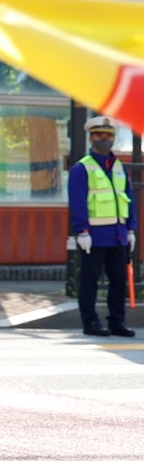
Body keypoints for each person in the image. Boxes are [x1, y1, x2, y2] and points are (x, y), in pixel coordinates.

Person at [69, 113, 136, 338]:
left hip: (118, 235)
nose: (104, 139)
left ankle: (117, 322)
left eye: (108, 135)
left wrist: (130, 229)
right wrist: (82, 231)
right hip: (94, 236)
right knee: (90, 281)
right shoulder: (82, 168)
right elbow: (78, 202)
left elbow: (128, 198)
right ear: (90, 138)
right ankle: (90, 322)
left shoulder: (119, 167)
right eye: (99, 135)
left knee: (118, 281)